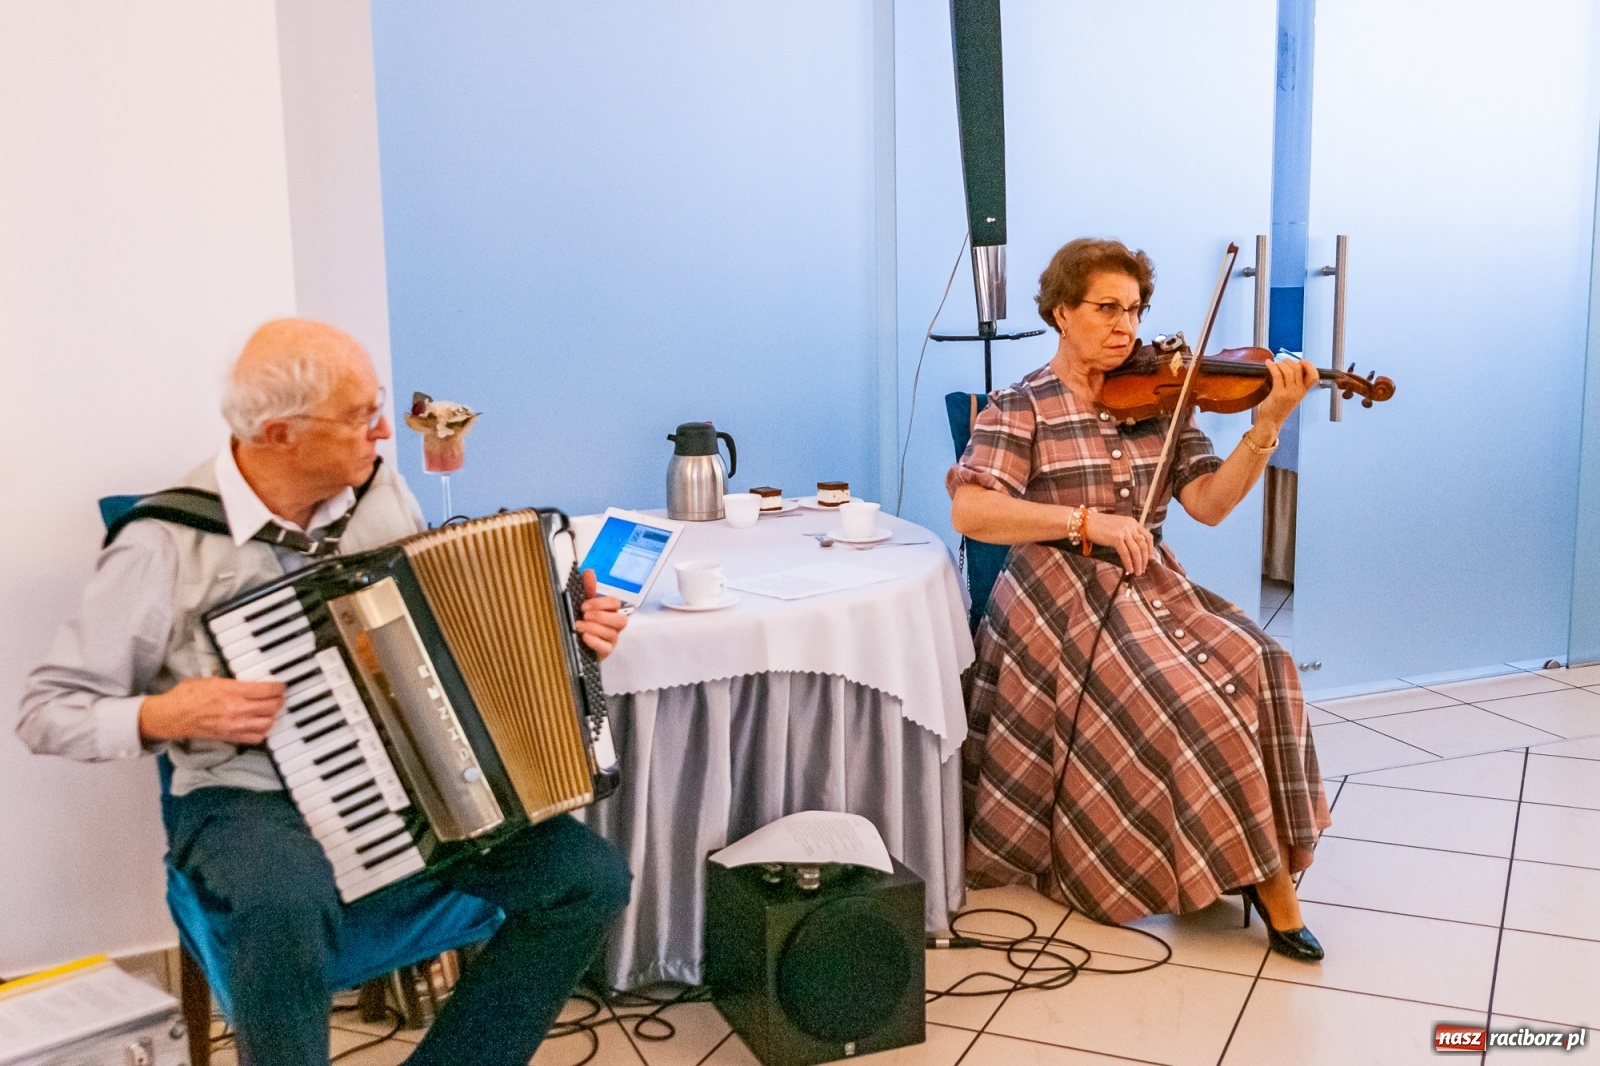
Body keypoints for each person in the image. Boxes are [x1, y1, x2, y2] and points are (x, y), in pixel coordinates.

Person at [18, 319, 632, 1065]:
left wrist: (568, 630)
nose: (383, 430)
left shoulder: (380, 493)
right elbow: (47, 713)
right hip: (247, 794)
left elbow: (444, 632)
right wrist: (162, 711)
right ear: (280, 434)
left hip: (413, 775)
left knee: (587, 878)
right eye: (359, 416)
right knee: (283, 902)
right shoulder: (162, 543)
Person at [948, 238, 1331, 961]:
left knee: (1265, 663)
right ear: (1062, 313)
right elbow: (971, 511)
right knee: (1189, 701)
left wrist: (1266, 425)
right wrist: (1083, 523)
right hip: (1055, 602)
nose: (1125, 326)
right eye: (1106, 308)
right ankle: (1270, 885)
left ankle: (1242, 857)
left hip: (1151, 587)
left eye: (1134, 310)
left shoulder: (1162, 397)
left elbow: (1209, 505)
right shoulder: (1021, 405)